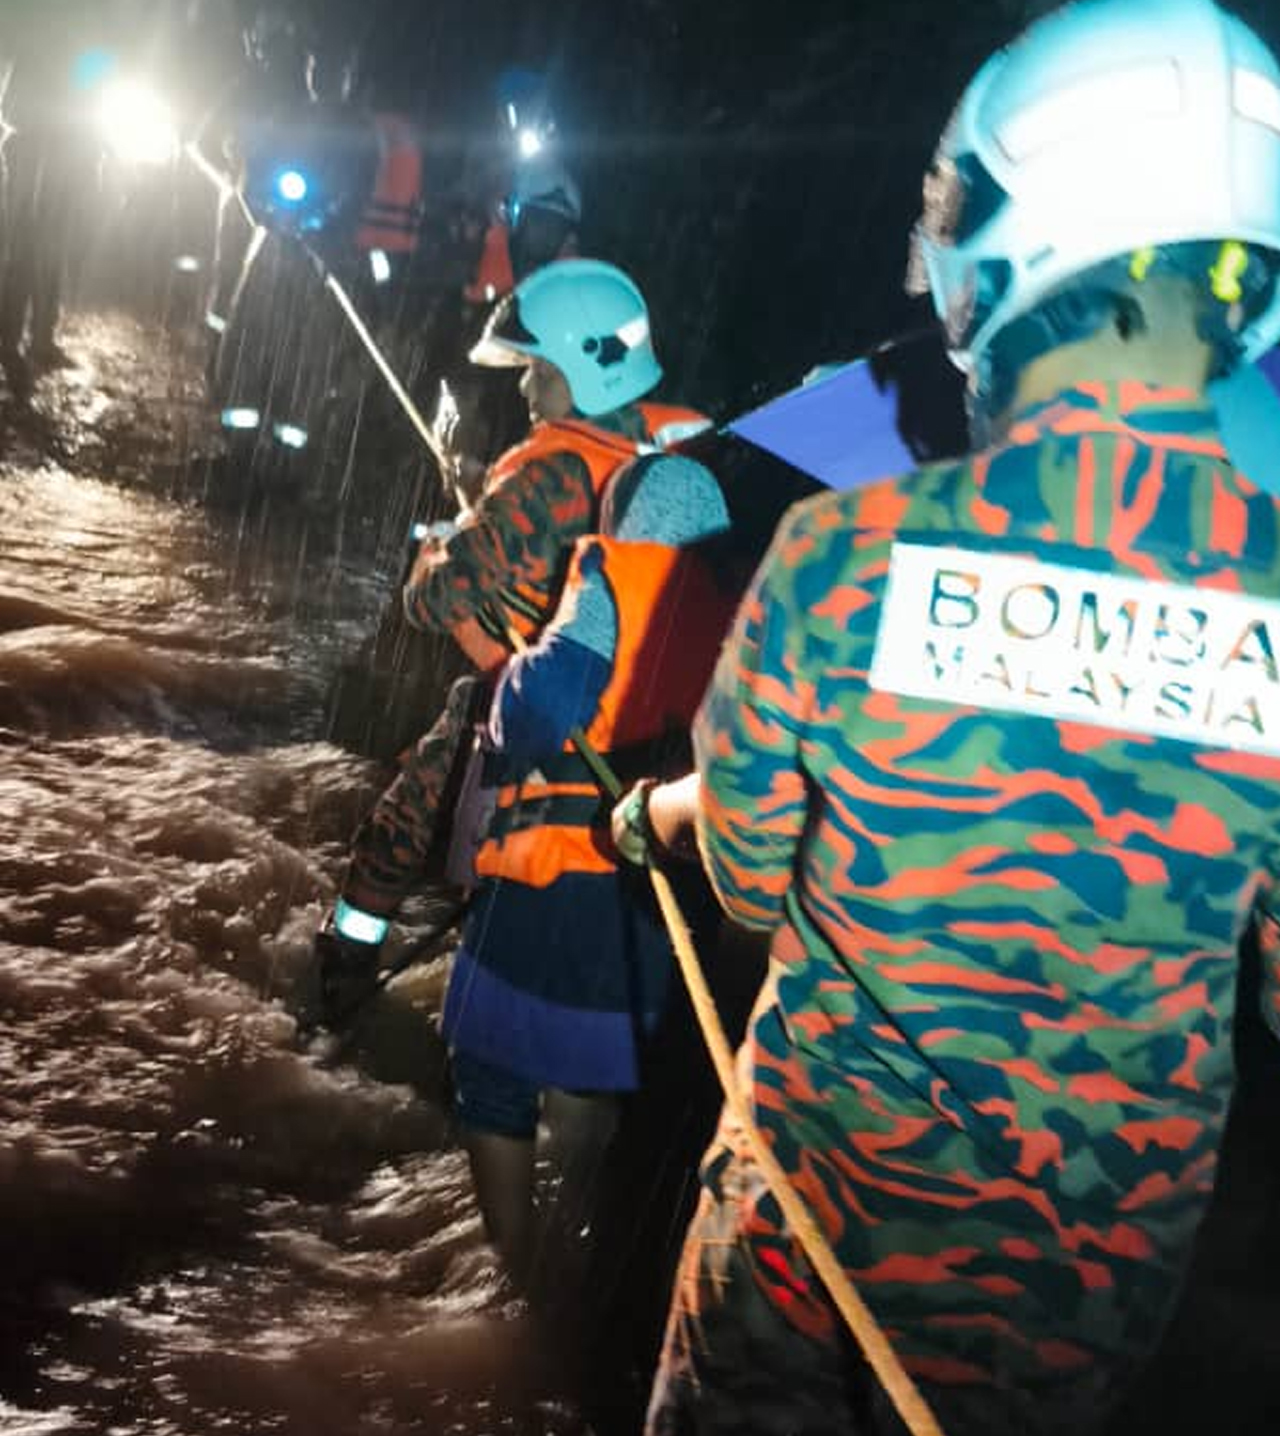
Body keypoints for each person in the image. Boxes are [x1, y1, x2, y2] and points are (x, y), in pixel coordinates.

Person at [616, 2, 1280, 1433]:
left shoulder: (846, 558)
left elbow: (746, 882)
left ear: (1001, 249)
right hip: (1073, 1315)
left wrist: (655, 812)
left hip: (804, 1255)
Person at [314, 260, 710, 1030]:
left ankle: (344, 962)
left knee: (403, 823)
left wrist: (445, 540)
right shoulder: (684, 445)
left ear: (582, 371)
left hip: (536, 707)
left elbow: (432, 604)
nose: (526, 387)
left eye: (539, 371)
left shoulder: (541, 480)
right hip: (654, 733)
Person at [442, 449, 738, 1289]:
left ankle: (515, 1276)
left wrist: (515, 666)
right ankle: (579, 1256)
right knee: (586, 1076)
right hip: (648, 903)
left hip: (551, 889)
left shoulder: (612, 582)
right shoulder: (736, 612)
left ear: (628, 521)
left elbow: (539, 713)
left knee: (492, 1078)